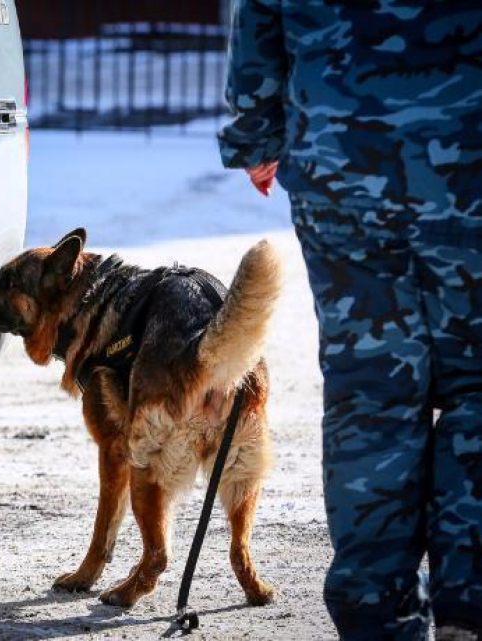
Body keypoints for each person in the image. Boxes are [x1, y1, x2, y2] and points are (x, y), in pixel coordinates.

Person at [217, 1, 482, 639]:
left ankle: (375, 613)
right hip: (467, 158)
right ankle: (469, 606)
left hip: (343, 161)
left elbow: (260, 15)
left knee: (371, 391)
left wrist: (257, 134)